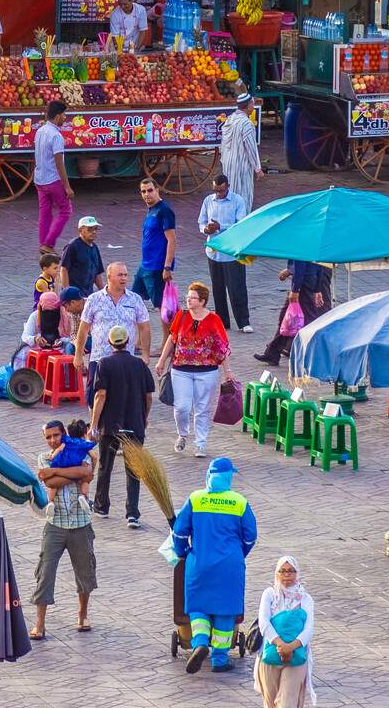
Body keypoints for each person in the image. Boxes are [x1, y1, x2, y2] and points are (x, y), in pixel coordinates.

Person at [169, 457, 257, 674]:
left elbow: (179, 532)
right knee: (225, 610)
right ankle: (219, 659)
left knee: (198, 607)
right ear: (228, 478)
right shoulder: (239, 502)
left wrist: (183, 553)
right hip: (229, 566)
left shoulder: (195, 499)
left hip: (199, 563)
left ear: (208, 476)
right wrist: (238, 554)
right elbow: (250, 537)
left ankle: (199, 643)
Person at [29, 417, 97, 639]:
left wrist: (57, 473)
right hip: (55, 525)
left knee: (84, 571)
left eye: (56, 435)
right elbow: (49, 483)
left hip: (80, 524)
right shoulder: (44, 457)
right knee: (45, 573)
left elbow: (86, 473)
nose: (52, 440)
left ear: (64, 434)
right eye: (48, 437)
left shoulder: (78, 449)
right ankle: (40, 623)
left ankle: (82, 614)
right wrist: (74, 473)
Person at [88, 323, 153, 527]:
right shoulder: (140, 364)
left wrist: (94, 425)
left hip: (110, 425)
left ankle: (101, 506)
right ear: (128, 342)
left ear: (110, 342)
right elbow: (148, 396)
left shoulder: (104, 363)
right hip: (135, 423)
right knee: (134, 469)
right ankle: (132, 513)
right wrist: (144, 416)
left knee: (105, 467)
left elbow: (100, 395)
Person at [156, 281, 231, 458]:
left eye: (193, 298)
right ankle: (182, 434)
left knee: (202, 408)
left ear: (203, 301)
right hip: (180, 369)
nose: (188, 300)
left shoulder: (214, 319)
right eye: (188, 297)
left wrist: (227, 371)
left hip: (207, 371)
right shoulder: (181, 315)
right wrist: (161, 360)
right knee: (181, 407)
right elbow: (172, 339)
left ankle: (200, 443)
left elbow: (222, 346)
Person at [254, 557, 314, 708]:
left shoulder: (305, 599)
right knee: (270, 702)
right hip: (270, 654)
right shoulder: (269, 594)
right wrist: (281, 645)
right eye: (283, 571)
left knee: (288, 702)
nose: (287, 574)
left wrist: (291, 647)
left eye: (291, 571)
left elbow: (308, 629)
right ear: (277, 573)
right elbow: (264, 623)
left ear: (297, 573)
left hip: (297, 655)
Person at [198, 174, 249, 331]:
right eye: (215, 190)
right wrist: (206, 229)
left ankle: (244, 322)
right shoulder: (208, 200)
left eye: (220, 190)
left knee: (237, 288)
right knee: (217, 288)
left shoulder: (237, 201)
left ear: (227, 186)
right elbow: (201, 221)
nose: (218, 194)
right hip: (213, 251)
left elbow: (241, 224)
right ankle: (222, 321)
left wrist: (221, 227)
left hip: (232, 252)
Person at [32, 102, 72, 254]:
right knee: (66, 210)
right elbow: (59, 162)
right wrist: (67, 186)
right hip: (53, 180)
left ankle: (43, 244)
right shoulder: (56, 136)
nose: (65, 118)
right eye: (63, 115)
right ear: (57, 117)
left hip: (40, 178)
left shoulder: (40, 131)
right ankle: (48, 244)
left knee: (45, 212)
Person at [218, 93, 262, 214]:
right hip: (241, 165)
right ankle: (241, 223)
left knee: (230, 194)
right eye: (252, 104)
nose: (253, 106)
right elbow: (251, 148)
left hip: (228, 164)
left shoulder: (230, 119)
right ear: (248, 106)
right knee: (243, 196)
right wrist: (257, 168)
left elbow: (223, 144)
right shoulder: (246, 124)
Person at [136, 177, 176, 308]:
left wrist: (167, 267)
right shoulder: (151, 209)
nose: (147, 194)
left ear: (157, 190)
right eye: (143, 191)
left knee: (163, 307)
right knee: (133, 299)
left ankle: (172, 329)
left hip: (157, 268)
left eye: (150, 190)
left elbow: (172, 240)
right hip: (145, 265)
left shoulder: (164, 210)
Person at [60, 215, 104, 293]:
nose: (94, 232)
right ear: (80, 230)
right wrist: (67, 292)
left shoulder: (95, 248)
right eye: (90, 229)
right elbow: (64, 269)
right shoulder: (72, 246)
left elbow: (97, 273)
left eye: (96, 229)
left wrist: (104, 292)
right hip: (75, 295)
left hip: (88, 294)